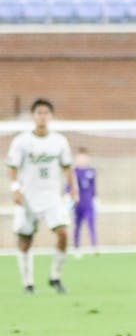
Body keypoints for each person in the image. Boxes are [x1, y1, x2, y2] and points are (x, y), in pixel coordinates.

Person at [6, 99, 77, 294]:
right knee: (25, 239)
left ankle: (55, 277)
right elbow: (12, 167)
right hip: (28, 197)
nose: (42, 116)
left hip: (52, 196)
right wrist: (15, 188)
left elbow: (67, 167)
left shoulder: (59, 141)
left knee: (63, 233)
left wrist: (74, 190)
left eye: (46, 113)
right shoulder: (21, 141)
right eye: (39, 113)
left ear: (51, 116)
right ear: (33, 116)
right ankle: (28, 283)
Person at [71, 147, 98, 257]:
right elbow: (69, 187)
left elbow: (93, 187)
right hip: (77, 205)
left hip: (88, 204)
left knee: (91, 225)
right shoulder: (73, 172)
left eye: (84, 157)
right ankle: (76, 248)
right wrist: (68, 200)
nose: (82, 159)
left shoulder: (91, 171)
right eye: (80, 157)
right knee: (77, 226)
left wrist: (95, 198)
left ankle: (94, 246)